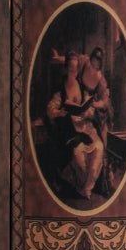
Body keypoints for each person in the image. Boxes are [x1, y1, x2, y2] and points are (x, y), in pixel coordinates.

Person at [45, 50, 105, 202]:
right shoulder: (61, 90)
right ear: (66, 69)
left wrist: (88, 113)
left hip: (86, 127)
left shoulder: (82, 86)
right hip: (70, 130)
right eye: (71, 70)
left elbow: (90, 106)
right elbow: (50, 109)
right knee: (79, 156)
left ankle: (87, 188)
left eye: (76, 69)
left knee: (99, 148)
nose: (74, 72)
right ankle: (82, 187)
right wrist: (59, 112)